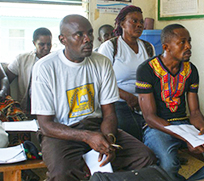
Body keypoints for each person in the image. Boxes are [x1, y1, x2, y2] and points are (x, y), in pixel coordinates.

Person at [31, 14, 156, 181]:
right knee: (62, 173)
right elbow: (46, 125)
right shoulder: (45, 67)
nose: (87, 39)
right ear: (63, 40)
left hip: (98, 126)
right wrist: (87, 137)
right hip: (61, 132)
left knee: (145, 157)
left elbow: (109, 114)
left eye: (89, 33)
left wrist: (109, 140)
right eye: (79, 35)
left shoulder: (102, 63)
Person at [136, 24, 204, 181]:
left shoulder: (191, 70)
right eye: (182, 42)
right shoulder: (146, 70)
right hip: (157, 128)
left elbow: (195, 112)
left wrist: (202, 128)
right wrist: (188, 139)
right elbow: (150, 117)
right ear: (166, 47)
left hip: (184, 124)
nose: (188, 47)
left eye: (189, 41)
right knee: (169, 164)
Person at [98, 5, 155, 141]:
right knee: (131, 128)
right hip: (118, 102)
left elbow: (154, 77)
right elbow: (100, 81)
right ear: (122, 23)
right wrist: (128, 97)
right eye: (134, 21)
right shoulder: (111, 47)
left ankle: (161, 153)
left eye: (141, 22)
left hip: (145, 101)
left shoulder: (148, 47)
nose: (139, 25)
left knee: (159, 127)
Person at [5, 27, 52, 116]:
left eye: (49, 44)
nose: (46, 48)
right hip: (27, 108)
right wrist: (10, 103)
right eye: (42, 44)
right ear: (34, 43)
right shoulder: (22, 59)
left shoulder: (55, 61)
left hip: (50, 108)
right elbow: (6, 80)